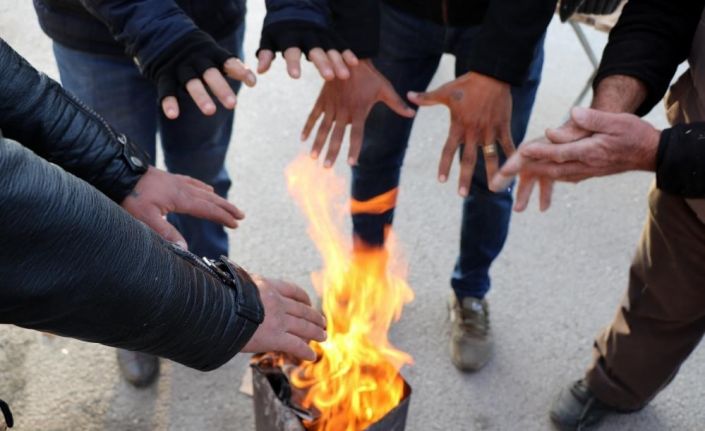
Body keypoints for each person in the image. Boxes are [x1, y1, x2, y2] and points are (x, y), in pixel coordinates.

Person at [0, 37, 326, 425]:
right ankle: (134, 323)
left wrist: (119, 170)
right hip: (90, 35)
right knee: (118, 215)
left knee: (197, 185)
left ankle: (203, 276)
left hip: (205, 31)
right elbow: (23, 219)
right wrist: (216, 311)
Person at [258, 0, 555, 371]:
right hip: (395, 13)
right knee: (374, 153)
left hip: (502, 19)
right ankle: (366, 277)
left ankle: (471, 293)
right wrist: (355, 47)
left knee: (492, 169)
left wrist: (499, 69)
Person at [490, 0, 705, 429]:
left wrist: (657, 151)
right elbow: (664, 11)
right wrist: (604, 117)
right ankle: (615, 385)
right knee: (662, 293)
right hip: (693, 184)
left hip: (685, 156)